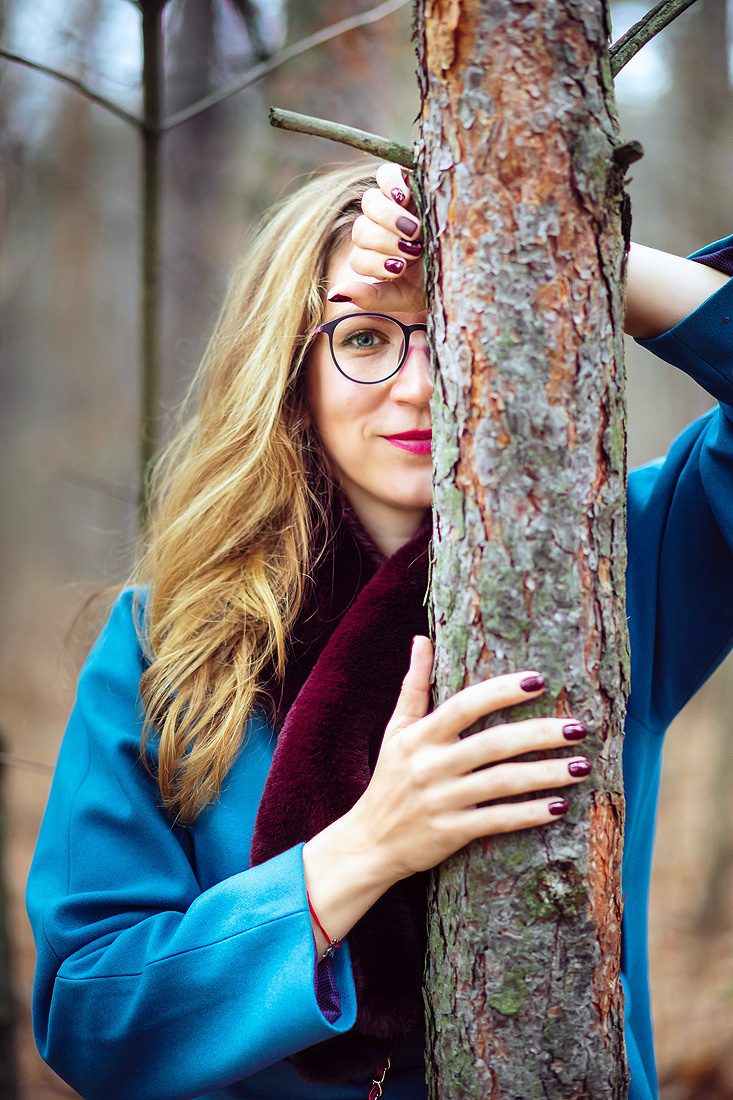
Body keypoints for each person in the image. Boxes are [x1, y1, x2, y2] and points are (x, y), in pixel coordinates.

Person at [27, 161, 733, 1100]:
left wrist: (572, 248)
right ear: (290, 372)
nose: (421, 388)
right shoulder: (168, 641)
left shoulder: (612, 562)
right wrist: (364, 848)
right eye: (363, 337)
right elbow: (91, 1016)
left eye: (457, 330)